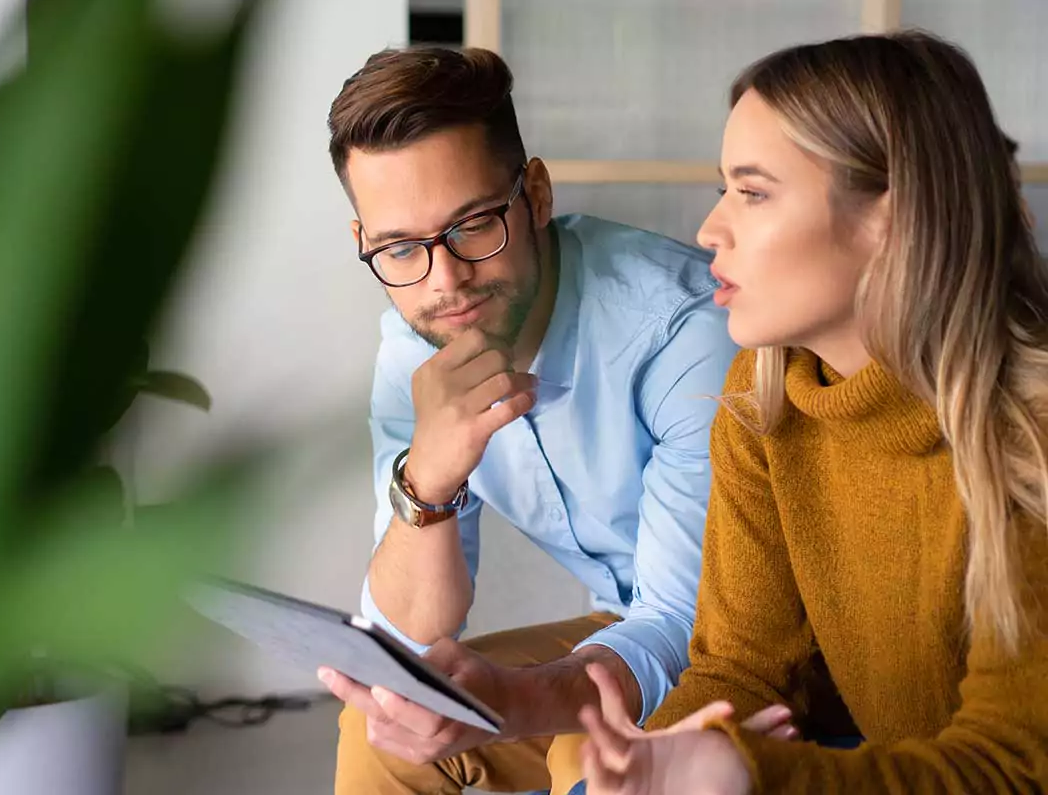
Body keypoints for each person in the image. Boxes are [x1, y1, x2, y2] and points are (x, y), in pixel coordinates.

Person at [578, 30, 1048, 794]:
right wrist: (647, 768)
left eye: (753, 192)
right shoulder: (765, 399)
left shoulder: (1030, 432)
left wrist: (746, 772)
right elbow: (740, 674)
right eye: (724, 187)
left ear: (890, 219)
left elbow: (1010, 767)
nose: (710, 229)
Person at [315, 46, 772, 795]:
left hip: (753, 642)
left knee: (582, 756)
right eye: (402, 248)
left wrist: (517, 700)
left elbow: (686, 628)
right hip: (630, 624)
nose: (446, 279)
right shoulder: (414, 343)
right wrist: (427, 478)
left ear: (535, 193)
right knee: (383, 728)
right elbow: (407, 641)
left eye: (472, 226)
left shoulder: (681, 332)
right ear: (366, 244)